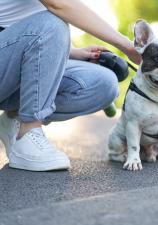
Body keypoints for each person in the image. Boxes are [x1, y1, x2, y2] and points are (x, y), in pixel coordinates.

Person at [0, 0, 141, 171]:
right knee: (53, 24)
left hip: (11, 53)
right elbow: (59, 5)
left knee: (104, 83)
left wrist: (72, 51)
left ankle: (14, 117)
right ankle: (28, 133)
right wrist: (127, 46)